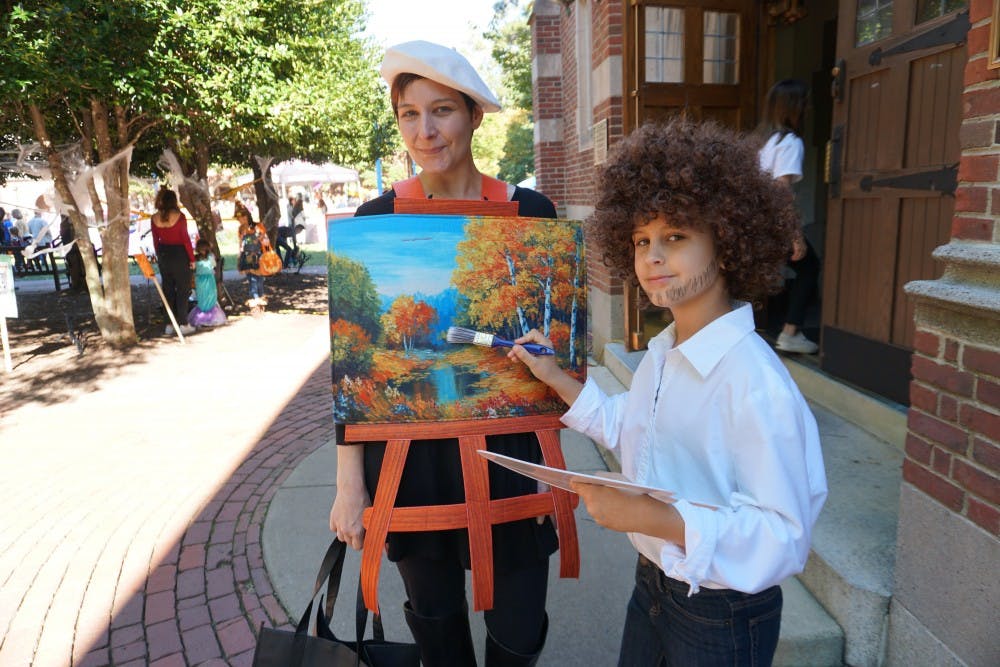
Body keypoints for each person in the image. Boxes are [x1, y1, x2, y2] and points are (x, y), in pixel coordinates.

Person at [508, 119, 828, 667]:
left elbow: (782, 535)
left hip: (721, 614)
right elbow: (632, 426)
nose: (652, 255)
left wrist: (649, 517)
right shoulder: (665, 350)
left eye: (675, 237)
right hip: (652, 585)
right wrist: (558, 378)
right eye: (641, 240)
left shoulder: (754, 381)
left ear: (727, 244)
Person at [329, 40, 558, 667]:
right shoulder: (376, 216)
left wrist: (551, 355)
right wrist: (350, 486)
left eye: (442, 111)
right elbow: (351, 373)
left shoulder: (529, 213)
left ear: (474, 116)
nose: (424, 131)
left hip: (512, 450)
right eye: (409, 114)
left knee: (517, 623)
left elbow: (556, 344)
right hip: (409, 463)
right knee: (436, 625)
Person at [758, 79, 821, 354]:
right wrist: (795, 235)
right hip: (774, 223)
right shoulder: (790, 143)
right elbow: (782, 191)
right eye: (805, 102)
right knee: (809, 267)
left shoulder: (766, 142)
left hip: (757, 222)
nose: (809, 108)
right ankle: (790, 333)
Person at [150, 188, 196, 336]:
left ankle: (169, 324)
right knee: (183, 290)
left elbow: (155, 241)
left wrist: (159, 256)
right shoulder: (180, 216)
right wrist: (192, 258)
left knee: (167, 289)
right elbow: (185, 239)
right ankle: (183, 323)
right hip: (179, 254)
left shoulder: (154, 218)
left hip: (164, 254)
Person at [187, 239, 227, 328]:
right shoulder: (210, 256)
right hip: (209, 279)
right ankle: (210, 317)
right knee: (210, 296)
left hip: (200, 280)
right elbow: (214, 265)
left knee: (202, 297)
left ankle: (202, 317)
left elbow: (192, 268)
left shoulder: (195, 258)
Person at [236, 204, 268, 313]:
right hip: (247, 257)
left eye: (243, 218)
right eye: (239, 219)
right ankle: (255, 299)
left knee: (259, 279)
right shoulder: (240, 230)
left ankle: (260, 298)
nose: (242, 221)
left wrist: (260, 237)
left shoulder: (258, 227)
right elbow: (241, 245)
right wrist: (239, 257)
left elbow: (265, 240)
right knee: (252, 279)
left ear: (248, 216)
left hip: (258, 256)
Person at [59, 214, 86, 292]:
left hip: (75, 251)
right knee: (75, 267)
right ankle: (78, 284)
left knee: (78, 266)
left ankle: (80, 284)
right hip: (72, 251)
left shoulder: (66, 223)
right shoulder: (66, 224)